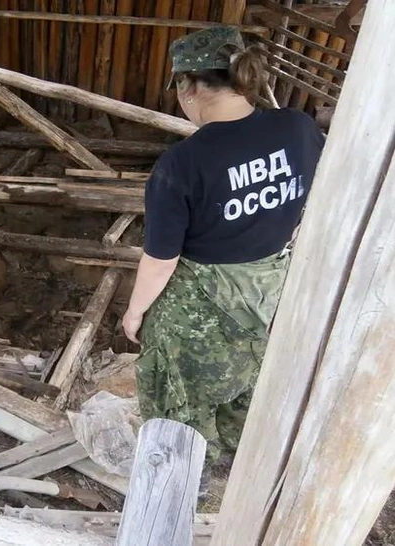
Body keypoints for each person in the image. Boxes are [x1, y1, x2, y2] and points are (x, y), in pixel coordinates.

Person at [121, 27, 325, 497]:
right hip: (271, 288)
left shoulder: (182, 163)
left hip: (203, 303)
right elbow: (314, 193)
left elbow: (160, 259)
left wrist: (135, 313)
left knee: (178, 392)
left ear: (188, 88)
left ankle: (181, 483)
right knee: (250, 375)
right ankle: (239, 457)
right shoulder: (297, 128)